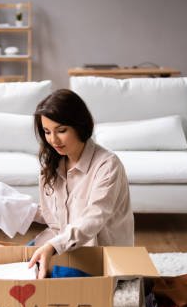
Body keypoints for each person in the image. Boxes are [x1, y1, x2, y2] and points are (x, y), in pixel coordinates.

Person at [28, 89, 134, 278]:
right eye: (47, 132)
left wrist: (53, 246)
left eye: (61, 131)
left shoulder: (108, 165)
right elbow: (54, 218)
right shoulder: (53, 163)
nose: (53, 140)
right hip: (66, 246)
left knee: (43, 275)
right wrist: (16, 209)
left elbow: (94, 219)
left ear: (80, 126)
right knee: (21, 261)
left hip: (98, 256)